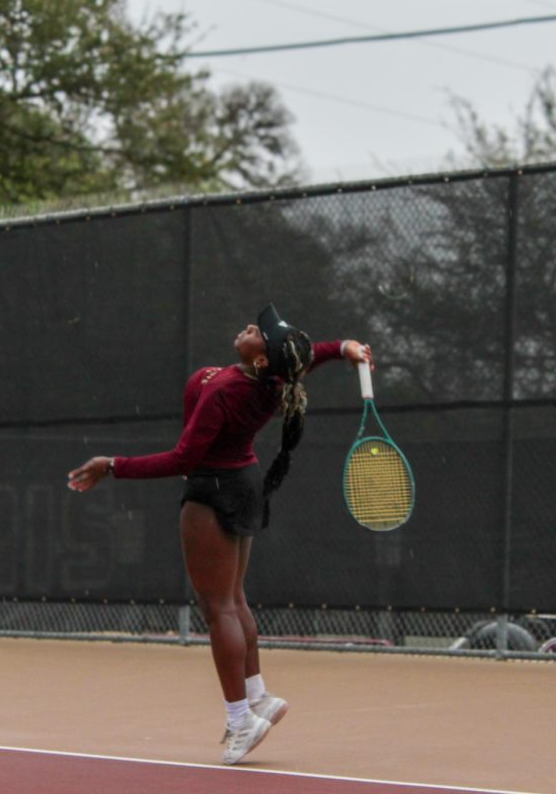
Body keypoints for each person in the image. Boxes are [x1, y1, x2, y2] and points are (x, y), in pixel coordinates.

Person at [67, 304, 373, 765]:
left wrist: (113, 466)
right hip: (243, 483)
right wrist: (346, 347)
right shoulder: (274, 376)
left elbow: (182, 459)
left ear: (262, 359)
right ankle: (257, 697)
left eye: (260, 334)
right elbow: (306, 355)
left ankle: (240, 721)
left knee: (218, 609)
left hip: (213, 490)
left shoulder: (229, 392)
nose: (252, 327)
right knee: (234, 600)